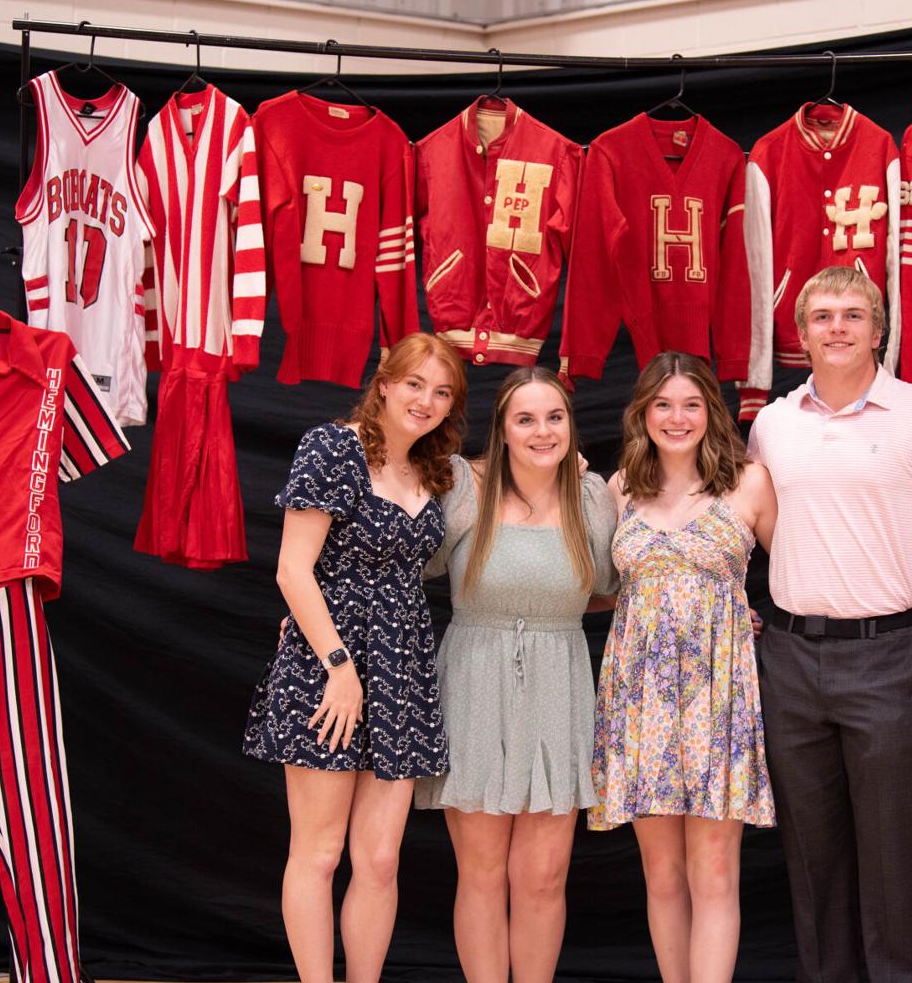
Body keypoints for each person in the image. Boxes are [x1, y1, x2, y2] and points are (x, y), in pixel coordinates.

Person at [749, 265, 912, 983]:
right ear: (802, 335)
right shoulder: (772, 424)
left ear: (880, 330)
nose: (838, 327)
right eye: (822, 316)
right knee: (812, 854)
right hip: (789, 657)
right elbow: (765, 527)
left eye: (854, 314)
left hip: (886, 658)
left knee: (887, 851)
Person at [242, 332, 467, 983]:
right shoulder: (333, 447)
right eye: (415, 383)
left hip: (402, 668)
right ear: (386, 382)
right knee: (318, 852)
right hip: (330, 663)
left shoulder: (433, 469)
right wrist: (340, 667)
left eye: (442, 390)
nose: (426, 400)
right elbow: (293, 568)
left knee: (379, 860)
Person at [415, 366, 619, 983]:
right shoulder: (462, 486)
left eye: (554, 417)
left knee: (542, 875)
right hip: (476, 678)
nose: (542, 430)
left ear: (571, 426)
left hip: (560, 682)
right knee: (481, 871)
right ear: (501, 430)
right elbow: (403, 565)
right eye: (525, 418)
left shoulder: (591, 499)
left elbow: (612, 588)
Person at [589, 351, 779, 983]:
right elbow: (593, 588)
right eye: (663, 404)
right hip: (640, 692)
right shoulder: (619, 490)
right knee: (662, 871)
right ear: (642, 413)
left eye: (691, 404)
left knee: (715, 869)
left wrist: (906, 581)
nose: (677, 417)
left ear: (711, 412)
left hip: (718, 692)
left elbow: (804, 570)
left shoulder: (749, 482)